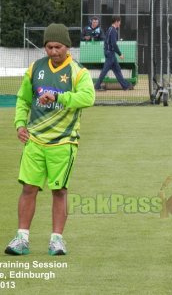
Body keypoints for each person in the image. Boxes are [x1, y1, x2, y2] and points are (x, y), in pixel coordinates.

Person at [4, 23, 95, 256]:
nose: (54, 51)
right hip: (34, 141)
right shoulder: (35, 68)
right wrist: (20, 125)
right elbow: (23, 99)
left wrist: (58, 96)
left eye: (58, 47)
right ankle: (21, 239)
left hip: (64, 142)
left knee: (59, 191)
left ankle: (57, 240)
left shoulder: (78, 72)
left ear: (68, 47)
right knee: (28, 188)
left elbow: (88, 97)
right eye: (49, 47)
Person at [94, 15, 133, 91]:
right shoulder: (113, 30)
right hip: (110, 54)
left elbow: (107, 42)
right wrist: (120, 54)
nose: (120, 23)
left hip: (109, 53)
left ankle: (125, 86)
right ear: (116, 22)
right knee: (105, 71)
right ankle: (96, 86)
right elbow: (114, 44)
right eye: (119, 22)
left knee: (117, 70)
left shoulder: (110, 29)